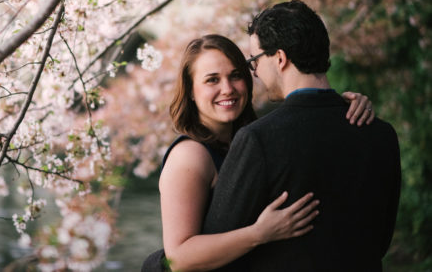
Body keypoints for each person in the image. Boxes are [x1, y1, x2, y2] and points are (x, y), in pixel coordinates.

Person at [142, 34, 376, 272]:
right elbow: (178, 258)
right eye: (212, 80)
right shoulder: (190, 156)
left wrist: (338, 108)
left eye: (235, 76)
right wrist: (259, 233)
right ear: (191, 90)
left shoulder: (254, 139)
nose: (228, 89)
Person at [202, 1, 401, 271]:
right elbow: (381, 240)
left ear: (280, 58)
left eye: (254, 61)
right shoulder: (381, 134)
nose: (255, 72)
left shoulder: (258, 139)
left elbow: (213, 246)